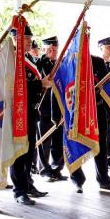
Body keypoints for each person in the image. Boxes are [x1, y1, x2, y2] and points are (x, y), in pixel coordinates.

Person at [70, 36, 110, 192]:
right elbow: (62, 89)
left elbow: (107, 87)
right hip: (76, 112)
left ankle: (103, 179)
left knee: (101, 146)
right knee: (75, 145)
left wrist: (105, 104)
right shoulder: (70, 63)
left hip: (97, 110)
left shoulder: (98, 62)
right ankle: (77, 179)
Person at [9, 25, 50, 205]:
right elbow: (17, 86)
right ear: (15, 39)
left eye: (29, 38)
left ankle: (27, 184)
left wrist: (42, 84)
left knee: (29, 151)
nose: (29, 41)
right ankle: (19, 191)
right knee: (18, 153)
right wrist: (40, 84)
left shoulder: (29, 59)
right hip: (18, 112)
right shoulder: (11, 60)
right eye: (25, 38)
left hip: (32, 111)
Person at [37, 36, 67, 181]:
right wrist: (45, 58)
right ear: (44, 49)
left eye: (55, 48)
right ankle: (44, 170)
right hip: (44, 109)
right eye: (50, 49)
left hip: (59, 108)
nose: (53, 51)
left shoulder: (61, 64)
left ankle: (57, 169)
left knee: (59, 142)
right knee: (44, 142)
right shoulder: (40, 63)